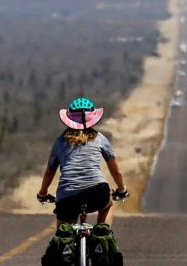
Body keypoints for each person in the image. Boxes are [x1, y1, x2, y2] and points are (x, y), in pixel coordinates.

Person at [37, 96, 128, 225]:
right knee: (107, 206)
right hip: (97, 191)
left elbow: (50, 171)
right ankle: (102, 235)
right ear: (93, 118)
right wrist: (122, 190)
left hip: (67, 196)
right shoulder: (100, 138)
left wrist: (43, 192)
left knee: (64, 234)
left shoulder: (60, 141)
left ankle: (66, 243)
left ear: (69, 119)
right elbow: (116, 171)